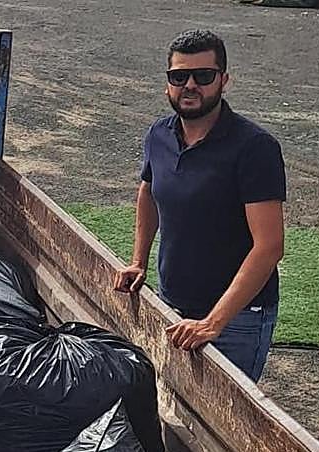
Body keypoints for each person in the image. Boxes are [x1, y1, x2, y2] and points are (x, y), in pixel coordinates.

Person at [114, 29, 286, 382]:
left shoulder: (254, 148)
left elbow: (269, 247)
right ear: (167, 84)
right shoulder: (159, 135)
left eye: (203, 76)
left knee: (221, 431)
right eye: (179, 77)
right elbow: (148, 192)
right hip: (174, 304)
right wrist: (138, 261)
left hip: (236, 321)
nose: (190, 85)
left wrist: (214, 322)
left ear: (224, 80)